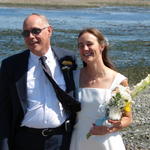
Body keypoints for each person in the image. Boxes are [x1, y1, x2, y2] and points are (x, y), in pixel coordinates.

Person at [0, 13, 81, 150]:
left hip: (61, 140)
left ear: (49, 31)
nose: (31, 36)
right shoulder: (11, 65)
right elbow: (4, 110)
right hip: (25, 141)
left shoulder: (68, 59)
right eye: (26, 33)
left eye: (36, 31)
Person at [70, 28, 132, 150]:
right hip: (79, 141)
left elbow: (128, 118)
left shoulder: (119, 81)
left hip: (108, 143)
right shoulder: (73, 77)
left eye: (89, 44)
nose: (85, 49)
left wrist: (109, 129)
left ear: (102, 46)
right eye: (81, 45)